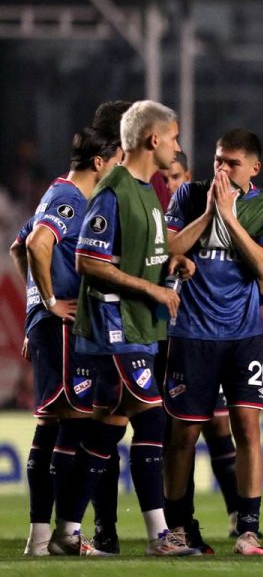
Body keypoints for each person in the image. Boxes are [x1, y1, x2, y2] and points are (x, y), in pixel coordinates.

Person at [65, 100, 198, 557]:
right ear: (152, 139)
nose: (178, 147)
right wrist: (154, 290)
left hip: (140, 326)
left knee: (106, 431)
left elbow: (147, 255)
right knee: (152, 418)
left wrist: (173, 265)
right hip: (113, 325)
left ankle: (65, 531)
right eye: (174, 137)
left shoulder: (147, 191)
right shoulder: (114, 189)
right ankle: (160, 536)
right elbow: (88, 260)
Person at [162, 128, 263, 556]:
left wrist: (230, 218)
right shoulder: (188, 196)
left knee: (247, 428)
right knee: (183, 435)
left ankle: (248, 528)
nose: (222, 169)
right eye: (217, 160)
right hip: (191, 334)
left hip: (243, 335)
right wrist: (211, 212)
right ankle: (179, 527)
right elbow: (169, 247)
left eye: (231, 162)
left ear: (254, 168)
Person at [11, 106, 125, 556]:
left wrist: (34, 306)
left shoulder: (55, 190)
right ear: (99, 162)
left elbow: (17, 246)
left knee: (49, 427)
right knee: (73, 428)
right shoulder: (72, 199)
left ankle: (41, 539)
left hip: (48, 325)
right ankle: (63, 537)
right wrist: (51, 302)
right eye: (114, 162)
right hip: (63, 328)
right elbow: (37, 245)